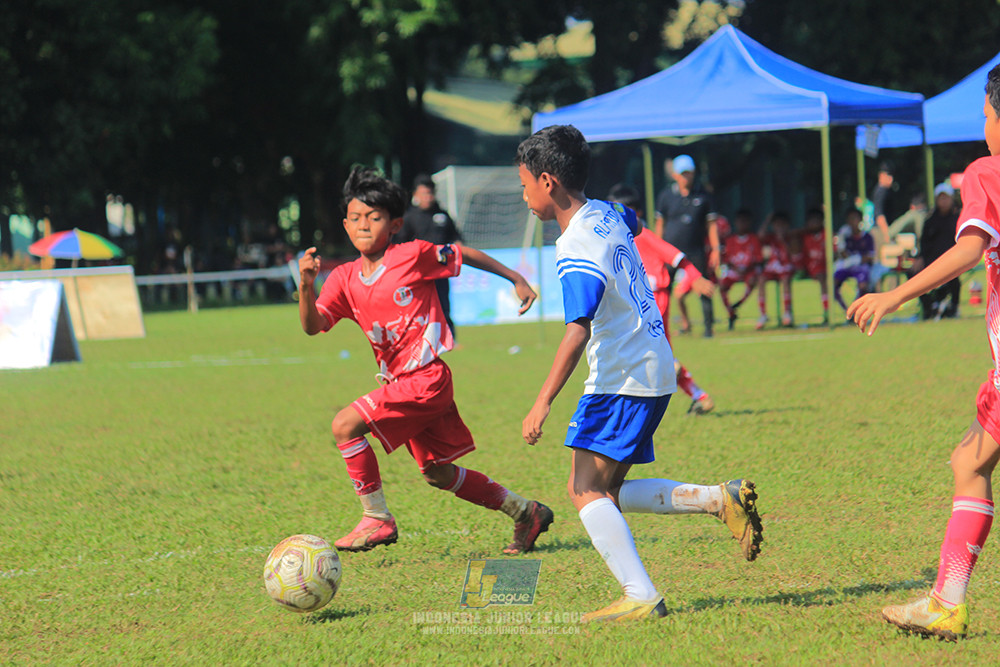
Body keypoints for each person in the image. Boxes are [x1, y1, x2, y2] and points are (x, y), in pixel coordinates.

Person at [517, 125, 763, 623]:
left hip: (621, 377)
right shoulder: (605, 212)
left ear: (548, 182)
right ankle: (719, 499)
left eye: (524, 184)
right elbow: (633, 224)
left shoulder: (576, 245)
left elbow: (577, 330)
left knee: (583, 491)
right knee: (607, 491)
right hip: (655, 365)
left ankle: (640, 594)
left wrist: (541, 401)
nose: (523, 195)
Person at [298, 166, 553, 555]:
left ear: (395, 223)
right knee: (438, 473)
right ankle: (525, 511)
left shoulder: (411, 256)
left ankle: (377, 519)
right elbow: (313, 326)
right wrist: (305, 286)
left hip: (426, 379)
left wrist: (514, 276)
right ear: (345, 225)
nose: (363, 225)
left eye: (374, 217)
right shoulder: (344, 278)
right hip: (401, 383)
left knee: (344, 425)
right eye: (355, 218)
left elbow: (460, 254)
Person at [847, 64, 1000, 641]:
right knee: (970, 462)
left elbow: (970, 249)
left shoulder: (988, 171)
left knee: (970, 463)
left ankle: (945, 603)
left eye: (985, 115)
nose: (984, 126)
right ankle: (946, 600)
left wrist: (894, 294)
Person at [607, 183, 716, 415]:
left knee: (648, 353)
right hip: (642, 302)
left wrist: (696, 277)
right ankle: (699, 395)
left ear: (637, 213)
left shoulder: (643, 234)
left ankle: (669, 373)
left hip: (654, 300)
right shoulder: (619, 237)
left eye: (624, 211)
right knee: (654, 352)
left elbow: (676, 256)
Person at [655, 154, 720, 337]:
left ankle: (708, 328)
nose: (686, 177)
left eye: (689, 173)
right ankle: (659, 326)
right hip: (670, 252)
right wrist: (657, 250)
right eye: (683, 173)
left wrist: (716, 249)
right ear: (675, 175)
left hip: (696, 250)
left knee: (704, 286)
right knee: (663, 289)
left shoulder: (704, 195)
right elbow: (660, 224)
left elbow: (711, 225)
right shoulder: (666, 196)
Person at [397, 174, 463, 338]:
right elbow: (400, 245)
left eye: (430, 193)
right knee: (417, 307)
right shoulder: (409, 218)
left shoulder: (442, 215)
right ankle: (417, 339)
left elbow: (456, 239)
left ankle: (449, 339)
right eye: (424, 193)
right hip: (417, 273)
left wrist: (455, 251)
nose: (428, 197)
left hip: (440, 270)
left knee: (443, 304)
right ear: (416, 195)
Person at [916, 183, 962, 319]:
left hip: (954, 260)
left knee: (954, 279)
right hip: (931, 260)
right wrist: (920, 257)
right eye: (941, 198)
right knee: (914, 274)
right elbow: (923, 243)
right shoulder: (930, 220)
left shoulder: (957, 219)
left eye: (946, 198)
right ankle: (928, 306)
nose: (944, 201)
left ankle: (953, 307)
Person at [718, 208, 763, 330]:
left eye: (745, 221)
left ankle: (739, 303)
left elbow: (758, 259)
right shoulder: (730, 240)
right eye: (740, 221)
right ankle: (731, 312)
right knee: (722, 286)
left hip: (749, 271)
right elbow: (726, 260)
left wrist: (746, 269)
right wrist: (736, 269)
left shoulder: (754, 239)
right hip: (735, 270)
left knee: (754, 280)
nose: (742, 224)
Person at [758, 211, 795, 328]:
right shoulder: (770, 237)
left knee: (785, 279)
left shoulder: (791, 237)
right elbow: (760, 235)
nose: (779, 228)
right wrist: (767, 221)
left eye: (781, 225)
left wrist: (782, 240)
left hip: (786, 266)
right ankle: (763, 314)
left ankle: (787, 313)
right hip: (773, 267)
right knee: (761, 280)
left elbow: (793, 253)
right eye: (776, 225)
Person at [833, 208, 875, 311]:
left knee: (863, 286)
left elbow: (869, 256)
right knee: (833, 284)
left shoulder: (867, 237)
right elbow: (843, 255)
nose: (852, 222)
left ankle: (855, 309)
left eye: (854, 218)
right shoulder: (846, 237)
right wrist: (841, 241)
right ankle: (846, 310)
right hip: (847, 267)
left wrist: (856, 259)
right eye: (849, 219)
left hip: (861, 268)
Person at [800, 207, 831, 321]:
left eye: (816, 221)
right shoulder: (806, 237)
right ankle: (827, 311)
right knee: (822, 276)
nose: (813, 224)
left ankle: (830, 311)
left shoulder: (827, 235)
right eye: (811, 221)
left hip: (826, 267)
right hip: (812, 268)